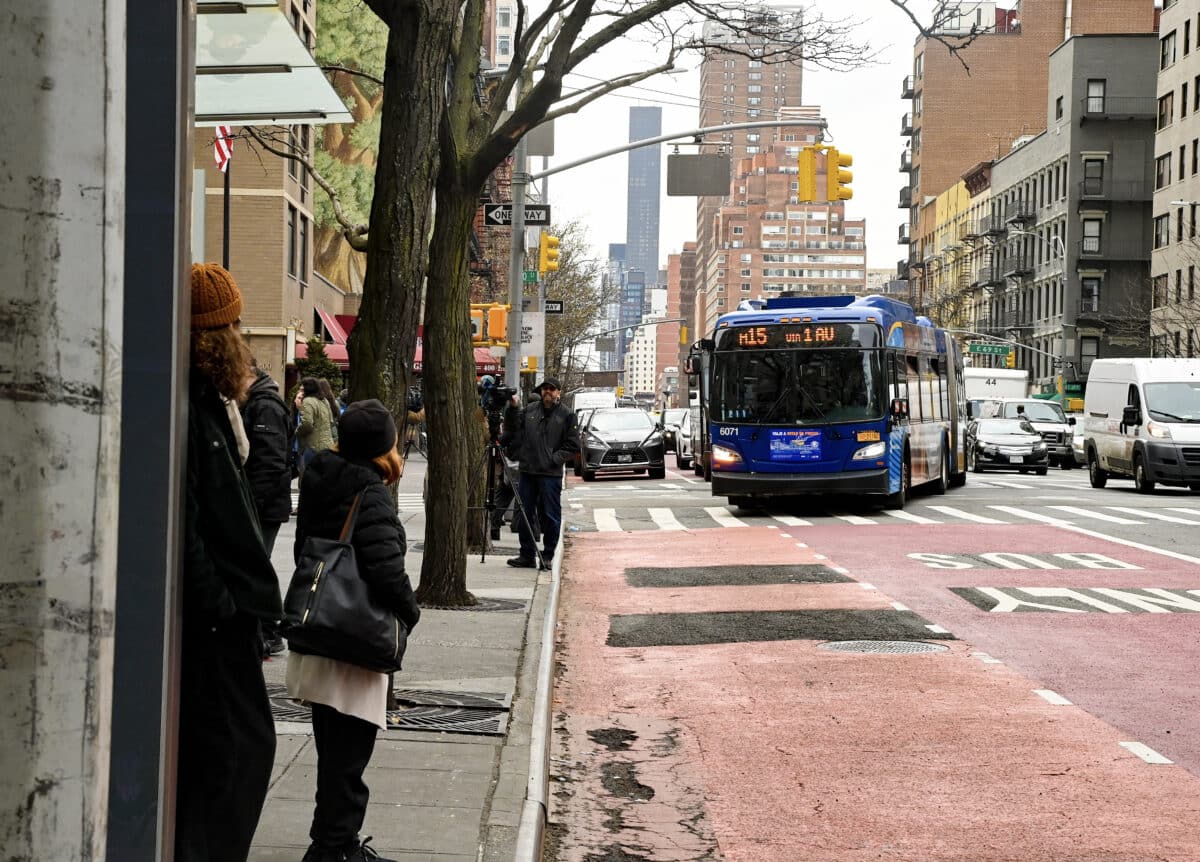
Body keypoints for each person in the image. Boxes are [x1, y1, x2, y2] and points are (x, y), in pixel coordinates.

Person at [177, 263, 282, 862]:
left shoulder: (216, 406)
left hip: (231, 615)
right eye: (235, 325)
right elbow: (187, 523)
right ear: (213, 335)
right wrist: (222, 605)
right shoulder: (194, 409)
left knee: (234, 753)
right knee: (235, 755)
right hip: (219, 620)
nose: (243, 336)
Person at [289, 400, 421, 862]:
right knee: (350, 755)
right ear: (383, 446)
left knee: (333, 749)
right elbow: (386, 572)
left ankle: (330, 842)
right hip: (356, 639)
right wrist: (410, 612)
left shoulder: (320, 479)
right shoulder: (371, 492)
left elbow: (303, 550)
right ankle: (334, 848)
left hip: (321, 629)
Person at [242, 362, 293, 656]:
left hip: (263, 505)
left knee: (257, 565)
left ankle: (270, 629)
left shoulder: (265, 407)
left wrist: (253, 505)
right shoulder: (261, 403)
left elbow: (270, 464)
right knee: (257, 565)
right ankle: (267, 627)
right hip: (265, 502)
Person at [507, 377, 579, 570]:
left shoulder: (567, 415)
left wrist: (553, 460)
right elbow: (515, 430)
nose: (548, 392)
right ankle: (527, 554)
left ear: (558, 392)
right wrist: (513, 409)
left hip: (550, 475)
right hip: (528, 471)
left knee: (550, 516)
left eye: (552, 389)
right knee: (525, 513)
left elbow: (573, 445)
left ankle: (547, 556)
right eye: (545, 389)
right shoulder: (530, 410)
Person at [296, 376, 335, 475]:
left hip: (313, 447)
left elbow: (307, 424)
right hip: (328, 446)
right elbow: (331, 421)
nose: (300, 390)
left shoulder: (308, 401)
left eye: (302, 388)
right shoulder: (324, 401)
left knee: (310, 477)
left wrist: (297, 431)